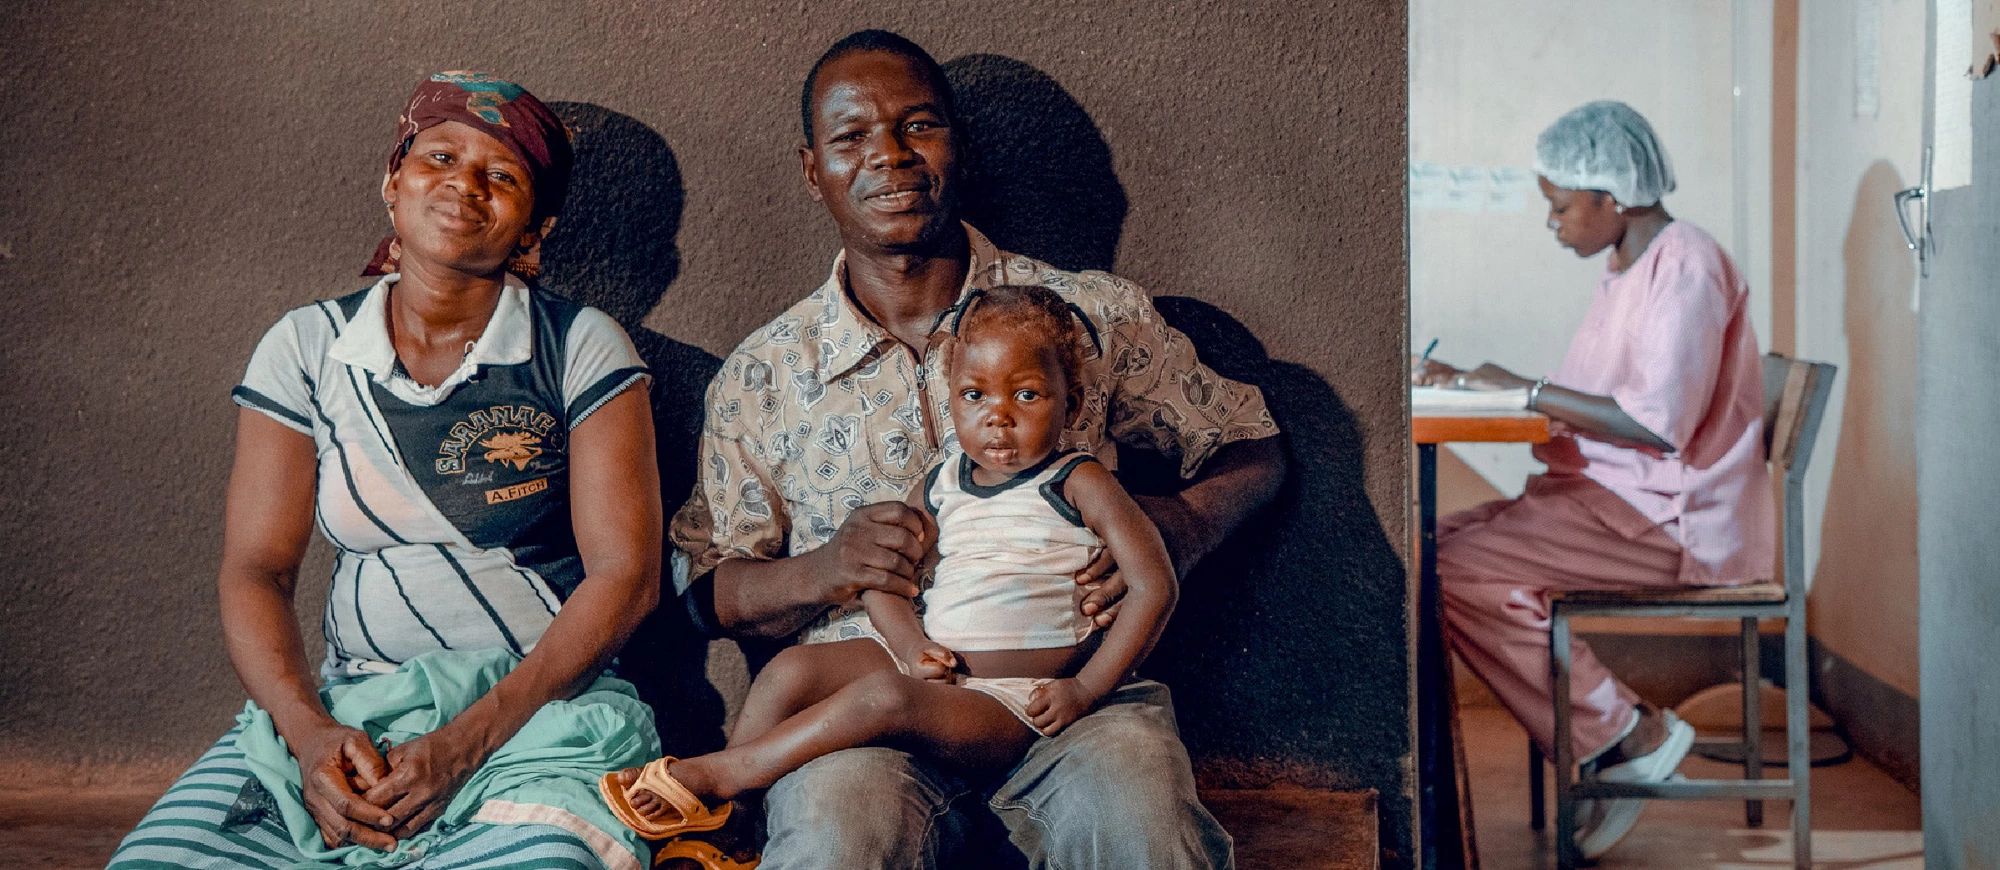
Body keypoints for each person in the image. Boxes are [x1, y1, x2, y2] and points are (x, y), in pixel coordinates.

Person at [669, 29, 1286, 870]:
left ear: (956, 144)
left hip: (1072, 697)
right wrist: (827, 568)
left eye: (918, 126)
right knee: (833, 837)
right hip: (863, 720)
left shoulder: (1089, 315)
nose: (889, 155)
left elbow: (1250, 443)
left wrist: (1181, 523)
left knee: (1138, 812)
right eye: (852, 138)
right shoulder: (764, 375)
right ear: (813, 169)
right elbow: (707, 586)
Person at [108, 72, 666, 870]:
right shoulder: (307, 347)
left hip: (539, 718)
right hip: (351, 719)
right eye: (438, 155)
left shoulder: (579, 347)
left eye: (501, 175)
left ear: (533, 227)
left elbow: (626, 575)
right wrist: (307, 737)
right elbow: (257, 570)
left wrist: (468, 740)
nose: (463, 185)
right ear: (392, 181)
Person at [606, 284, 1179, 850]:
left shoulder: (1080, 482)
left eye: (1026, 396)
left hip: (1020, 698)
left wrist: (1085, 688)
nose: (998, 419)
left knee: (884, 698)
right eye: (975, 396)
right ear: (950, 396)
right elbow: (885, 577)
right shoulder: (942, 483)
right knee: (792, 671)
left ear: (1071, 403)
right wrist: (909, 646)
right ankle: (734, 825)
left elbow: (1155, 587)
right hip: (940, 664)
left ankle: (723, 775)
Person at [1412, 100, 1773, 860]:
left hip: (1672, 520)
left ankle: (1625, 733)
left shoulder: (1689, 264)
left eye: (1561, 206)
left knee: (1445, 572)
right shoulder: (1631, 267)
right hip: (1613, 502)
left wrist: (1527, 390)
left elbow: (1658, 423)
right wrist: (1486, 384)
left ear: (1614, 197)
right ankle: (1612, 737)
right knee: (1428, 549)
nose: (1555, 224)